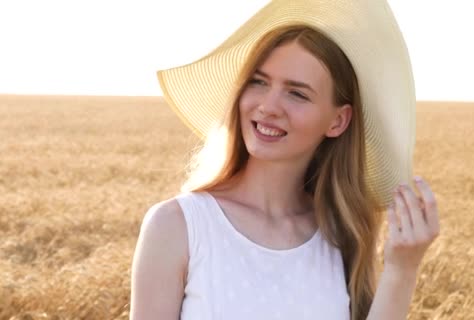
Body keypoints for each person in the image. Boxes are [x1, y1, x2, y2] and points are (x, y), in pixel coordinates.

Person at [130, 0, 439, 319]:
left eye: (297, 93)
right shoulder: (177, 226)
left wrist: (402, 270)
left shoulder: (341, 236)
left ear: (337, 121)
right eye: (259, 82)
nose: (268, 106)